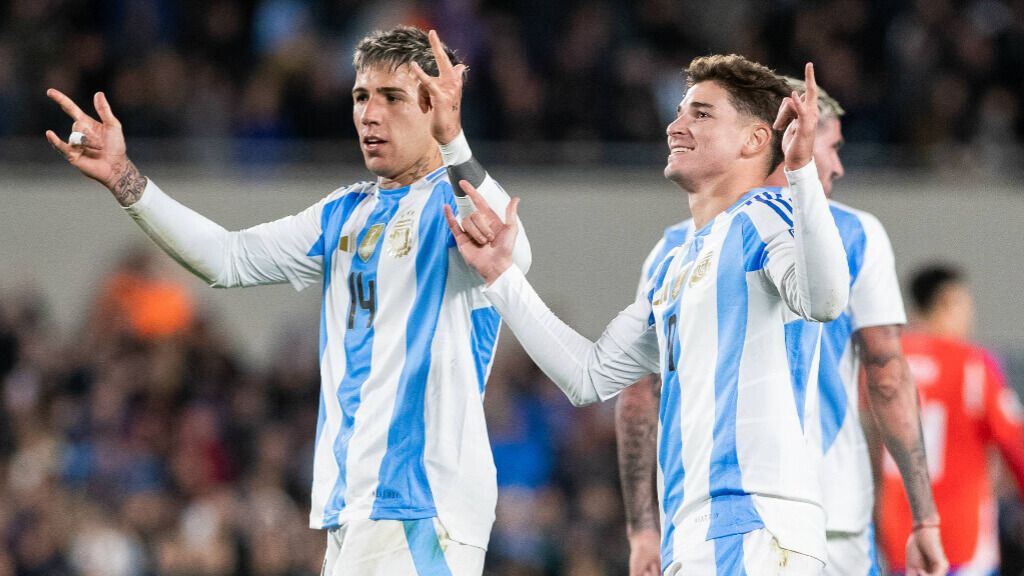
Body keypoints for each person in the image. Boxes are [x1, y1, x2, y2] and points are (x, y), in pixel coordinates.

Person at [46, 26, 531, 576]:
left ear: (434, 107)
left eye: (391, 98)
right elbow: (228, 259)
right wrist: (123, 179)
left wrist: (456, 142)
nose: (369, 114)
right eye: (360, 96)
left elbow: (511, 250)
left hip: (425, 510)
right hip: (355, 511)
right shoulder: (342, 214)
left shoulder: (454, 205)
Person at [446, 55, 849, 573]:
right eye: (680, 112)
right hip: (691, 530)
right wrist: (501, 277)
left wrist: (798, 174)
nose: (675, 125)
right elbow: (588, 376)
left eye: (701, 114)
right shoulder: (674, 265)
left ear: (753, 140)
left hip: (758, 528)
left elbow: (825, 299)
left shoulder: (767, 217)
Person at [615, 80, 949, 576]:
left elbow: (640, 395)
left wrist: (644, 528)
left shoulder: (668, 251)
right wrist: (925, 518)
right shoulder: (854, 234)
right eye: (830, 146)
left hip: (707, 517)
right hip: (828, 515)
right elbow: (885, 373)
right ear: (791, 140)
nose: (836, 166)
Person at [879, 264, 1024, 575]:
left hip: (900, 543)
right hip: (960, 542)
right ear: (947, 302)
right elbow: (1016, 445)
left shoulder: (884, 363)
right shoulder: (973, 365)